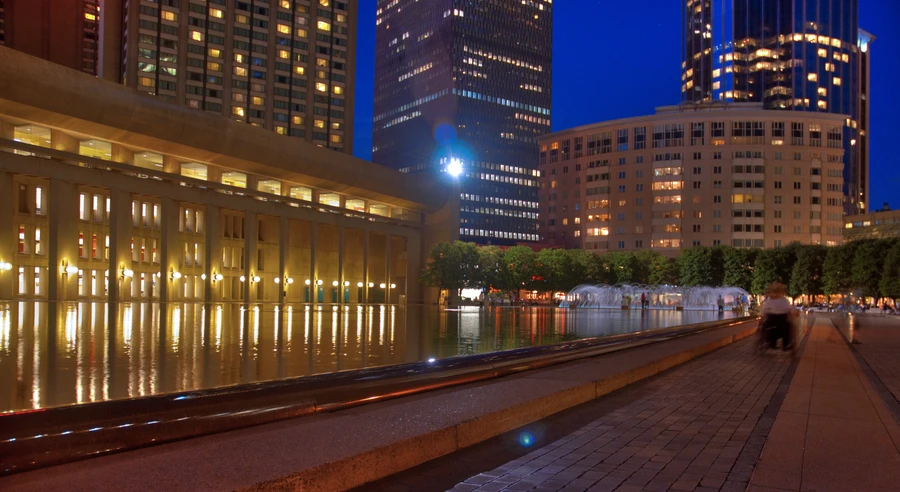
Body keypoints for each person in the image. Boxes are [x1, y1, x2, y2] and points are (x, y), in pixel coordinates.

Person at [760, 282, 798, 351]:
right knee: (789, 327)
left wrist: (760, 322)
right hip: (782, 322)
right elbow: (789, 310)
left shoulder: (769, 301)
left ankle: (771, 343)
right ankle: (785, 344)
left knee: (767, 327)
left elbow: (763, 312)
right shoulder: (784, 300)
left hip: (770, 322)